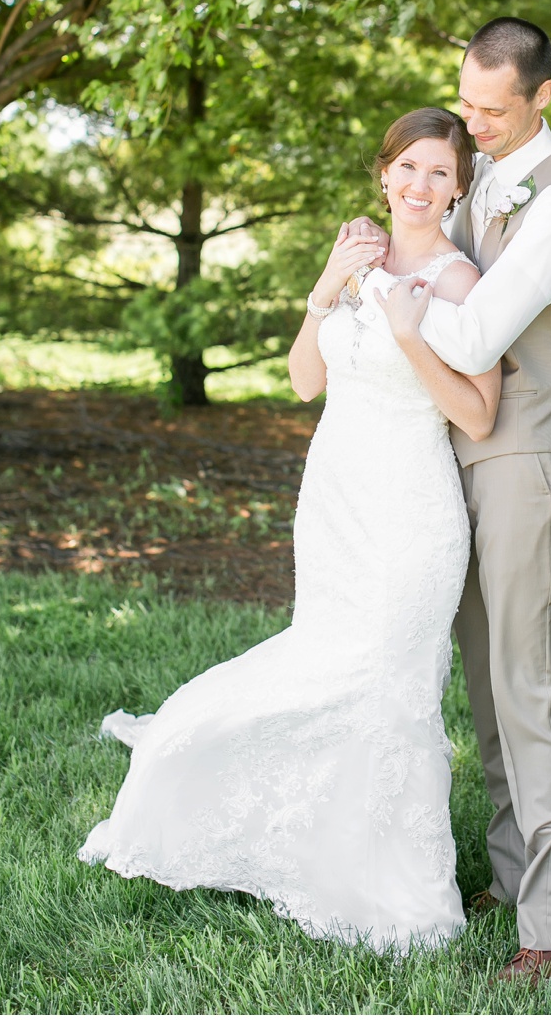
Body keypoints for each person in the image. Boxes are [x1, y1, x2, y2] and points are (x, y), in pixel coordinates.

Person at [79, 107, 498, 954]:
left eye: (440, 174)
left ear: (459, 189)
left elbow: (480, 417)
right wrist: (326, 286)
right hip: (335, 500)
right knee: (319, 657)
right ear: (383, 174)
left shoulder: (457, 283)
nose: (421, 186)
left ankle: (388, 882)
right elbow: (306, 379)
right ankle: (279, 826)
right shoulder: (357, 258)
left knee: (386, 687)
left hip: (411, 510)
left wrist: (414, 338)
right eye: (408, 168)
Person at [378, 17, 551, 984]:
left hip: (525, 455)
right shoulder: (483, 175)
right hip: (456, 452)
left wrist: (393, 297)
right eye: (465, 104)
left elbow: (474, 338)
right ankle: (513, 871)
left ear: (542, 97)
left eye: (492, 111)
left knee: (528, 680)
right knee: (482, 677)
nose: (471, 127)